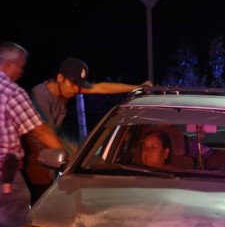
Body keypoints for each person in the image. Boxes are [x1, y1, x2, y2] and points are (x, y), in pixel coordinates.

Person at [22, 57, 151, 203]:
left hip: (50, 167)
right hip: (34, 170)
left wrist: (136, 87)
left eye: (78, 86)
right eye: (72, 84)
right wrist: (73, 160)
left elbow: (100, 87)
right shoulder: (40, 96)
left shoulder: (66, 89)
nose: (75, 90)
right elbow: (45, 134)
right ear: (60, 77)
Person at [0, 42, 65, 227]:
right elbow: (40, 131)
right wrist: (71, 159)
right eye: (20, 66)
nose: (21, 72)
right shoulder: (12, 92)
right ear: (11, 64)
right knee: (18, 214)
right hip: (5, 175)